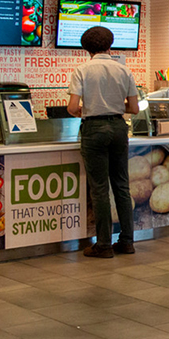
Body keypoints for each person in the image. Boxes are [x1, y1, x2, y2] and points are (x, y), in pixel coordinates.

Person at [67, 26, 140, 258]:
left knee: (99, 190)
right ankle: (127, 242)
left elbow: (72, 108)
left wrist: (89, 109)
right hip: (119, 128)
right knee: (122, 187)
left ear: (86, 48)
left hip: (94, 129)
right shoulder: (124, 70)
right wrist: (115, 106)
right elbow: (134, 108)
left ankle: (104, 244)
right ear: (110, 45)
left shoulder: (82, 70)